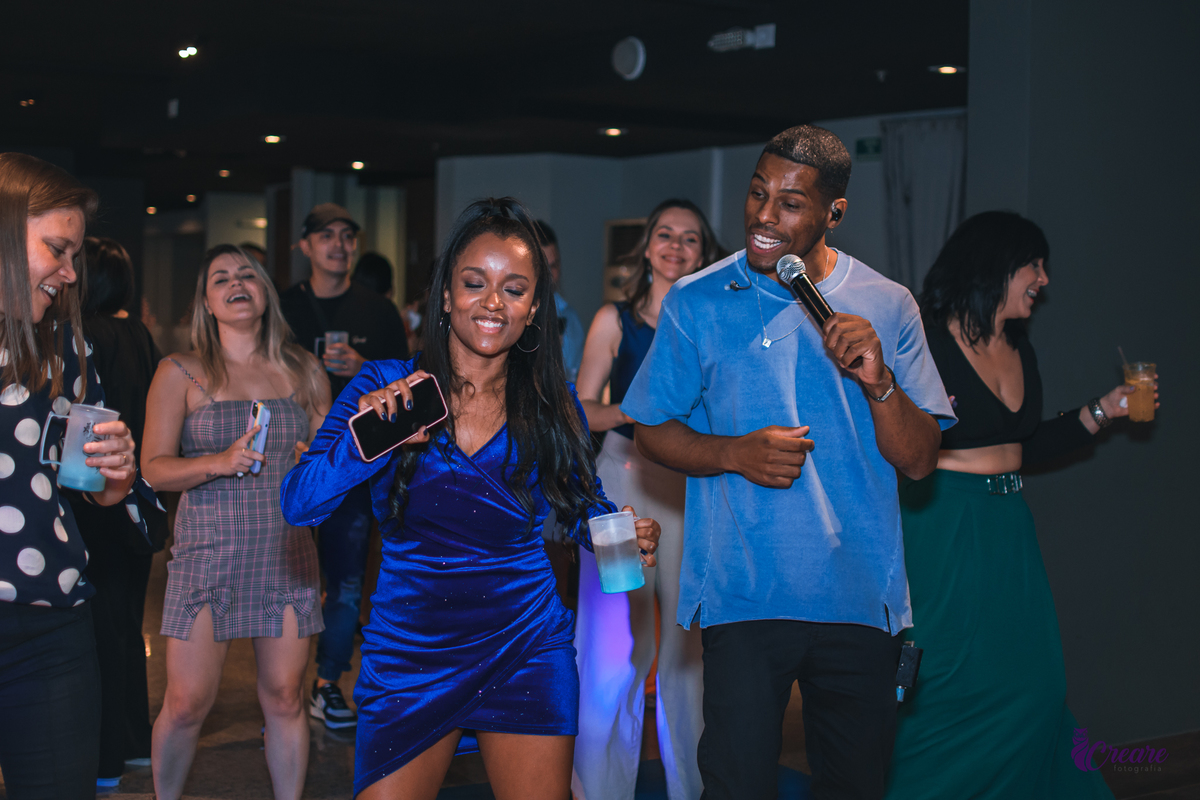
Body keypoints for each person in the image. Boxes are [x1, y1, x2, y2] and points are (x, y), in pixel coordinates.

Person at [280, 197, 662, 799]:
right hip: (411, 649)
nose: (492, 303)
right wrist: (366, 440)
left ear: (534, 307)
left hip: (525, 643)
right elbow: (299, 504)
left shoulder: (549, 400)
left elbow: (581, 504)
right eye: (474, 283)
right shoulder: (385, 385)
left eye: (514, 289)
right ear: (447, 294)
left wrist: (618, 530)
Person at [620, 125, 957, 799]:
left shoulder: (888, 305)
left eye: (791, 202)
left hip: (861, 599)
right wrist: (732, 453)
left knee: (854, 787)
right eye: (756, 193)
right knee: (738, 784)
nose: (764, 216)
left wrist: (880, 381)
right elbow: (648, 429)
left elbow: (920, 462)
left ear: (834, 211)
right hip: (743, 592)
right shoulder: (697, 300)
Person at [884, 212, 1143, 799]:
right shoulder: (923, 338)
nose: (1044, 280)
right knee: (945, 681)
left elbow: (1020, 446)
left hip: (1008, 526)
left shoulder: (1019, 346)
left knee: (1038, 682)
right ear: (997, 266)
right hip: (943, 521)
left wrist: (1104, 409)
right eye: (1035, 265)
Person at [142, 244, 331, 800]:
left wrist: (314, 464)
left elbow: (334, 460)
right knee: (185, 703)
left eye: (247, 274)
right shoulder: (180, 371)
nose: (236, 283)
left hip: (287, 552)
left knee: (285, 697)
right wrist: (217, 462)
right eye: (220, 278)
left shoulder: (304, 368)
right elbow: (152, 470)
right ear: (206, 302)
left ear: (265, 291)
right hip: (208, 552)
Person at [571, 199, 724, 800]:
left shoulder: (711, 322)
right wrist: (640, 414)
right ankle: (600, 789)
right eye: (665, 235)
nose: (676, 247)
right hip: (619, 490)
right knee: (617, 647)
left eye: (689, 239)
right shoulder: (615, 318)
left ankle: (693, 788)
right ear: (648, 247)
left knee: (687, 650)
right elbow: (581, 409)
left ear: (704, 254)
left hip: (688, 493)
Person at [0, 153, 140, 798]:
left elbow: (90, 487)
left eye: (75, 255)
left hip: (51, 626)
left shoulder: (66, 345)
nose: (69, 272)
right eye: (57, 249)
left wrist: (115, 470)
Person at [278, 203, 409, 729]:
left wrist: (363, 372)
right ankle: (281, 690)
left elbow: (409, 383)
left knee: (347, 582)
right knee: (285, 581)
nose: (339, 243)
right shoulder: (284, 306)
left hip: (356, 463)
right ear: (305, 246)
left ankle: (328, 681)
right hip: (289, 457)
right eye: (326, 235)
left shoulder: (377, 310)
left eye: (347, 235)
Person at [69, 236, 163, 790]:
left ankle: (103, 760)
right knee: (127, 625)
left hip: (91, 497)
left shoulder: (81, 337)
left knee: (97, 632)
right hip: (134, 498)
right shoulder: (139, 335)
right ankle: (133, 742)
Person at [534, 220, 585, 382]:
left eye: (553, 266)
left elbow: (576, 381)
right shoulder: (507, 316)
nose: (548, 275)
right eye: (541, 267)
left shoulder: (570, 318)